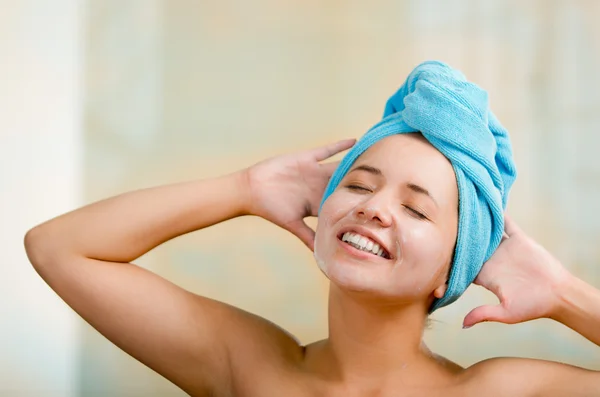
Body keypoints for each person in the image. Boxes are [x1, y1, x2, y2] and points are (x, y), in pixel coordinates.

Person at [24, 62, 600, 396]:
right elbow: (59, 248)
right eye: (358, 184)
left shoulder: (493, 393)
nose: (375, 208)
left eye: (417, 209)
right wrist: (244, 189)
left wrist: (562, 294)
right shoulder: (247, 365)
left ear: (454, 268)